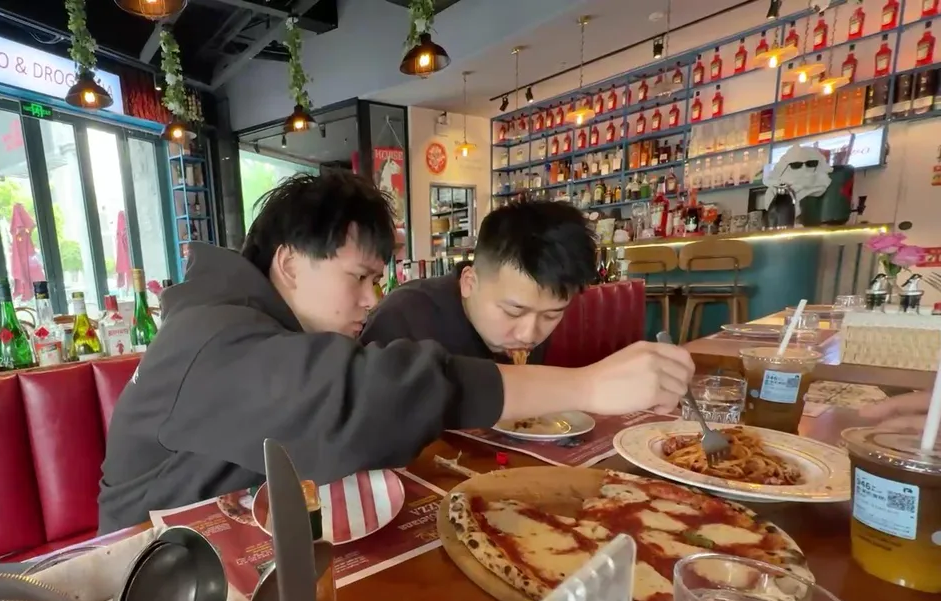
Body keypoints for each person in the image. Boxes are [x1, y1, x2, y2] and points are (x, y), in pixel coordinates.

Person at [97, 172, 695, 531]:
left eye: (377, 280)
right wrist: (589, 385)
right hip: (152, 574)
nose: (371, 299)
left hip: (232, 540)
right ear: (290, 263)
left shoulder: (249, 321)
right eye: (359, 277)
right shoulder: (209, 335)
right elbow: (367, 396)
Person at [361, 201, 596, 364]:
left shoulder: (529, 326)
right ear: (469, 283)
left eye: (551, 316)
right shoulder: (402, 320)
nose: (528, 335)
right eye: (513, 312)